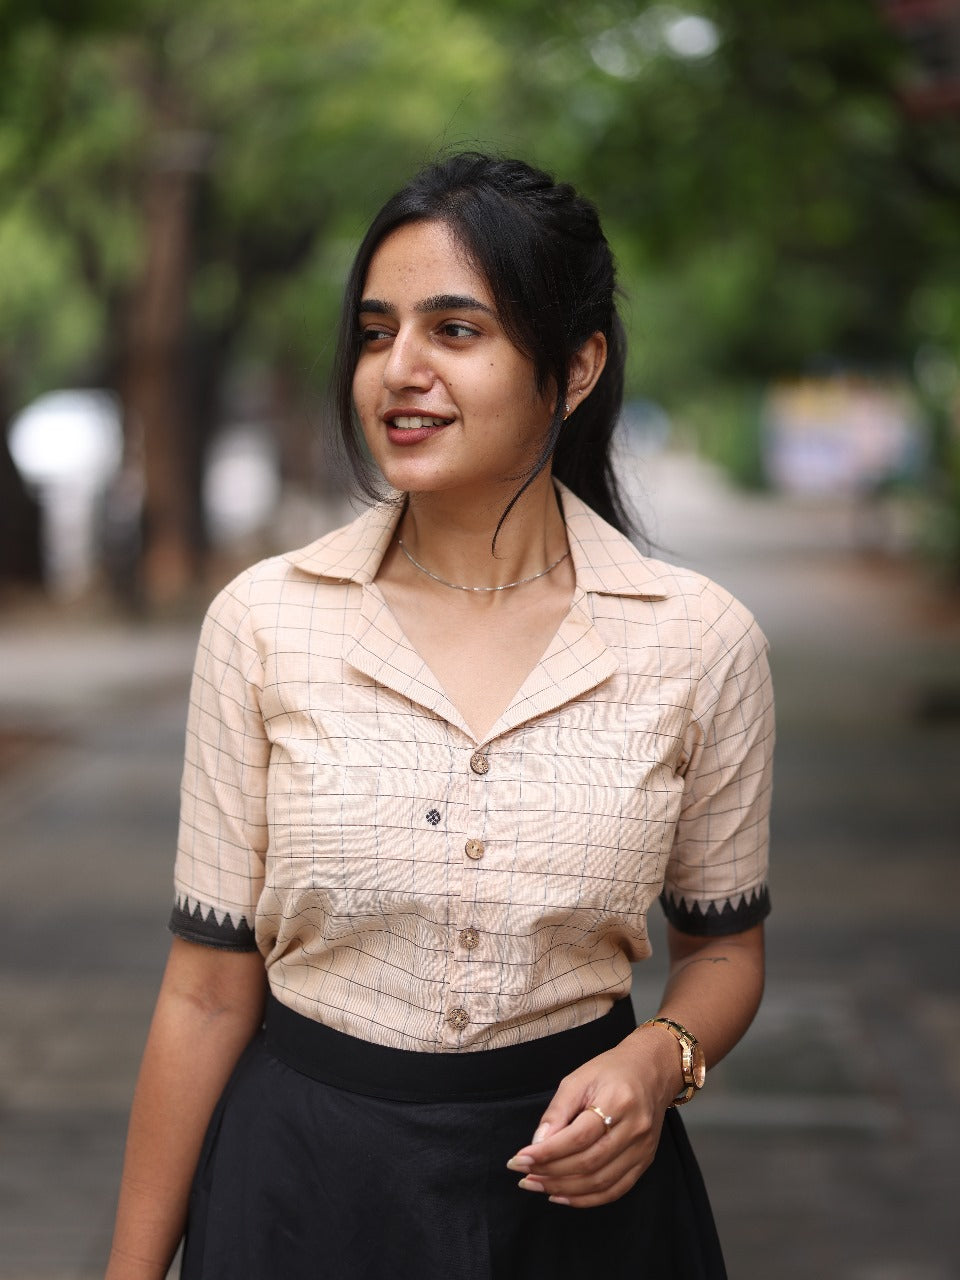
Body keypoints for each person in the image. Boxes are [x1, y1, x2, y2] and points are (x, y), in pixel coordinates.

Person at [107, 152, 773, 1280]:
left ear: (575, 365)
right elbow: (206, 989)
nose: (398, 371)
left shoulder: (698, 639)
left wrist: (661, 1058)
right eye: (375, 332)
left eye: (454, 330)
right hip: (303, 1192)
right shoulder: (267, 623)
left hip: (582, 1208)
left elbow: (726, 947)